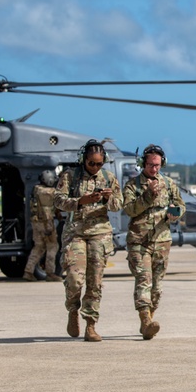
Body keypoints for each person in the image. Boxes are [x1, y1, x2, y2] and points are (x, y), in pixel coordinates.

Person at [53, 139, 123, 342]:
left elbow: (118, 205)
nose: (95, 167)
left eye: (99, 164)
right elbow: (57, 200)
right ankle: (72, 310)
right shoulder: (70, 176)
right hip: (76, 232)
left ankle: (90, 325)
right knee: (74, 278)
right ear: (83, 160)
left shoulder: (109, 178)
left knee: (95, 281)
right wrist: (80, 201)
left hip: (99, 233)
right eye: (91, 163)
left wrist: (108, 198)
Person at [122, 144, 186, 341]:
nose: (154, 169)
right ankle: (145, 320)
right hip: (139, 241)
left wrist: (174, 213)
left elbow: (181, 206)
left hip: (162, 240)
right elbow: (129, 210)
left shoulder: (169, 184)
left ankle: (149, 318)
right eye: (150, 165)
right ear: (143, 164)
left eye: (157, 165)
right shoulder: (133, 185)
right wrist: (148, 195)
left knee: (157, 287)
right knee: (144, 280)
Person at [23, 169, 63, 282]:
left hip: (36, 224)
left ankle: (28, 271)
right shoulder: (49, 193)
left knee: (38, 247)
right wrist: (50, 228)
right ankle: (50, 273)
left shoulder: (36, 190)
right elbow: (48, 212)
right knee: (52, 246)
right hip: (46, 223)